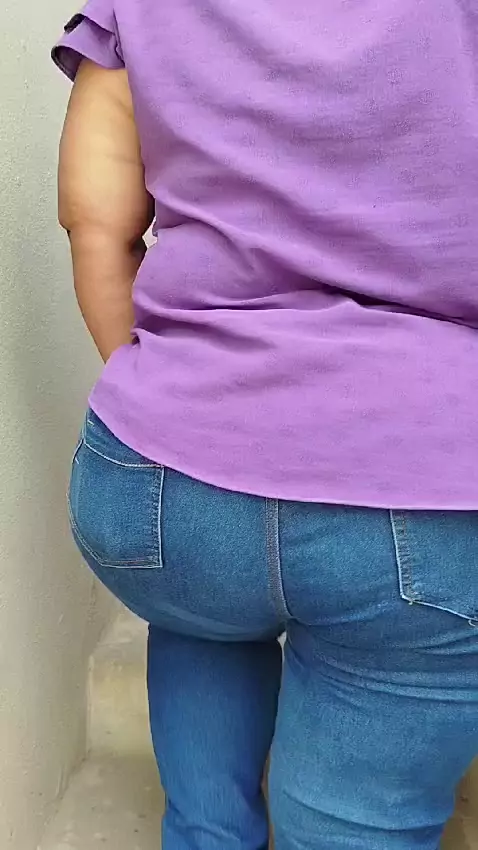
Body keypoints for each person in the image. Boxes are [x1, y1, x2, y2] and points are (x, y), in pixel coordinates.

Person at [52, 1, 478, 847]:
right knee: (359, 823)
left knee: (205, 611)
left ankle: (208, 830)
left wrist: (167, 403)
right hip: (421, 489)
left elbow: (94, 221)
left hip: (162, 484)